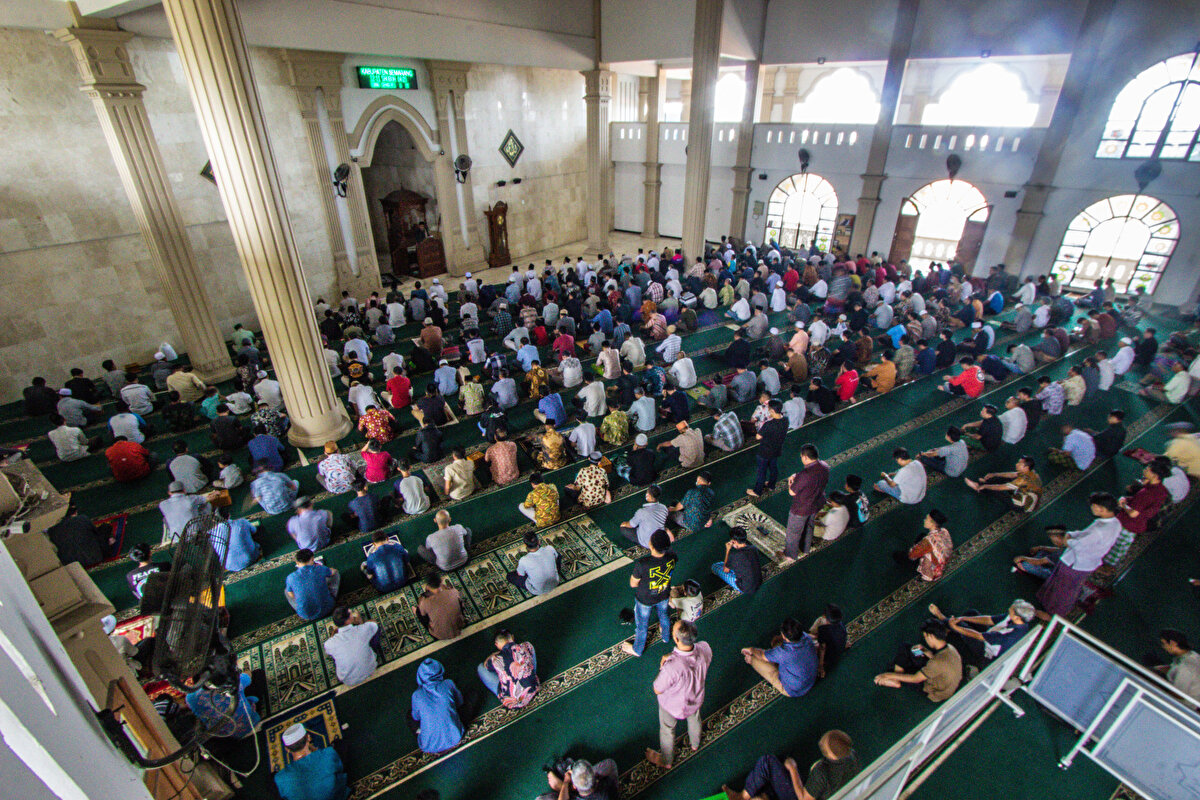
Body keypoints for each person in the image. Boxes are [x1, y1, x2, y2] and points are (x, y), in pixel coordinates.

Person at [1014, 493, 1123, 618]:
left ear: (1101, 509)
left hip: (1075, 564)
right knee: (1065, 586)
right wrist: (1071, 535)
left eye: (1093, 506)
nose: (1091, 508)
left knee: (1064, 590)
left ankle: (1055, 613)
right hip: (1087, 562)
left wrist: (1067, 539)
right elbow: (1084, 535)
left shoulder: (1099, 530)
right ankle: (1049, 602)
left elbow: (1077, 545)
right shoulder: (1115, 523)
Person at [645, 619, 712, 768]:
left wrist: (666, 665)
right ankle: (695, 744)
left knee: (667, 730)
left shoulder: (672, 667)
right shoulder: (705, 648)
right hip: (696, 698)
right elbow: (692, 656)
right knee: (695, 719)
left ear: (676, 639)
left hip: (672, 706)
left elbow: (657, 689)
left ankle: (666, 760)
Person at [724, 730, 861, 800]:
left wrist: (792, 768)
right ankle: (766, 794)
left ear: (832, 756)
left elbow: (802, 797)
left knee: (768, 763)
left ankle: (741, 797)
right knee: (773, 782)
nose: (821, 743)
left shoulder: (821, 772)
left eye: (824, 746)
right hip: (824, 792)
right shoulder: (851, 755)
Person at [872, 618, 963, 702]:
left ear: (930, 636)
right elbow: (938, 661)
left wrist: (887, 675)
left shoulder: (936, 663)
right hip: (944, 682)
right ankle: (897, 674)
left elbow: (915, 679)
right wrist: (925, 650)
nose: (925, 640)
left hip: (933, 691)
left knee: (904, 653)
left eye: (925, 637)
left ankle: (897, 680)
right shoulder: (951, 648)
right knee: (910, 649)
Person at [927, 599, 1035, 668]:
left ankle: (942, 618)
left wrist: (956, 626)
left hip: (986, 654)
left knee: (961, 628)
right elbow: (989, 620)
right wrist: (963, 618)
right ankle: (951, 627)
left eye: (1010, 610)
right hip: (991, 637)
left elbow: (978, 636)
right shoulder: (1018, 621)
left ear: (1017, 617)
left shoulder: (1009, 635)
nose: (1008, 610)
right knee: (971, 614)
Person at [621, 530, 677, 657]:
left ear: (650, 545)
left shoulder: (643, 564)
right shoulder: (672, 556)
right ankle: (666, 636)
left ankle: (637, 649)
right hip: (663, 594)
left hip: (645, 600)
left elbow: (633, 584)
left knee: (642, 625)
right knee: (664, 615)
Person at [741, 617, 818, 698]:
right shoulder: (806, 637)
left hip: (794, 690)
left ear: (784, 635)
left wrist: (751, 649)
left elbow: (761, 655)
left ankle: (751, 660)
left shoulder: (784, 653)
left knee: (754, 658)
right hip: (810, 680)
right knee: (777, 643)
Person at [781, 444, 830, 560]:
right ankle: (805, 549)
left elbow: (792, 492)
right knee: (809, 526)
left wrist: (790, 481)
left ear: (805, 457)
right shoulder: (824, 466)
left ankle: (790, 555)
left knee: (793, 533)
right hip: (817, 503)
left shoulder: (805, 475)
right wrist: (796, 476)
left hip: (801, 509)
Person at [273, 724, 348, 800]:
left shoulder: (280, 778)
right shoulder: (328, 754)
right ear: (308, 738)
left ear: (287, 749)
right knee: (340, 746)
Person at [409, 658, 465, 754]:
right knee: (473, 696)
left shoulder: (416, 695)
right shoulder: (448, 683)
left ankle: (421, 731)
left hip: (428, 746)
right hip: (455, 737)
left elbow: (415, 717)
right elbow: (460, 703)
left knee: (409, 716)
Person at [477, 629, 540, 709]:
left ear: (496, 644)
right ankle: (532, 679)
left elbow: (486, 665)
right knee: (529, 652)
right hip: (532, 690)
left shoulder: (495, 659)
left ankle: (507, 689)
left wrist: (493, 655)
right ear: (512, 637)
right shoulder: (525, 645)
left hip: (512, 702)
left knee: (480, 668)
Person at [323, 606, 380, 687]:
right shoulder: (362, 629)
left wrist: (335, 632)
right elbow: (374, 624)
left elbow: (328, 650)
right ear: (348, 621)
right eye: (351, 614)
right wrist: (360, 623)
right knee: (373, 632)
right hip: (371, 668)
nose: (352, 615)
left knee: (337, 653)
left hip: (347, 680)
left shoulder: (329, 643)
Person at [966, 455, 1043, 510]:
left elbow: (1000, 487)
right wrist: (994, 474)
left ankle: (978, 487)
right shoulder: (1030, 471)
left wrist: (985, 486)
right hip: (1026, 494)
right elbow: (1011, 475)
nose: (1016, 464)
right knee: (1005, 478)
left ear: (1026, 467)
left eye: (1019, 463)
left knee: (999, 492)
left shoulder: (1023, 480)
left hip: (1024, 506)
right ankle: (985, 483)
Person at [897, 509, 953, 582]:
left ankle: (926, 576)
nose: (924, 520)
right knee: (922, 536)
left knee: (899, 556)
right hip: (942, 562)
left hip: (934, 571)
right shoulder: (944, 531)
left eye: (926, 519)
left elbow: (912, 556)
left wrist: (915, 547)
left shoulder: (927, 541)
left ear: (932, 523)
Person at [285, 549, 340, 621]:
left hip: (306, 615)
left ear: (297, 563)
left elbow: (292, 595)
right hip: (328, 608)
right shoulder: (320, 568)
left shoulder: (290, 577)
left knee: (287, 591)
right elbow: (333, 571)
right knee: (336, 574)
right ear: (312, 559)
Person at [747, 400, 788, 498]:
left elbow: (758, 437)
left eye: (769, 409)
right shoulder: (786, 420)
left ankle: (757, 491)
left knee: (762, 471)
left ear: (772, 411)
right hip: (777, 449)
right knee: (773, 467)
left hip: (765, 451)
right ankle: (771, 485)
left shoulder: (769, 424)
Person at [1153, 630, 1200, 702]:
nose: (1163, 647)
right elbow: (1174, 669)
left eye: (1163, 643)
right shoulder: (1191, 656)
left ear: (1172, 643)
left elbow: (1179, 694)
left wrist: (1157, 686)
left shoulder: (1186, 666)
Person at [713, 526, 763, 594]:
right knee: (725, 563)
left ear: (734, 541)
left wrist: (728, 550)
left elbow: (726, 570)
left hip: (746, 588)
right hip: (759, 582)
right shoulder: (754, 548)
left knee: (715, 566)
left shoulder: (734, 555)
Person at [416, 572, 466, 640]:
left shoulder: (425, 602)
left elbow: (423, 614)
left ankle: (431, 629)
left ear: (427, 586)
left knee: (418, 612)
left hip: (439, 635)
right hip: (460, 627)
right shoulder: (453, 592)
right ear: (441, 581)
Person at [810, 605, 848, 677]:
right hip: (839, 649)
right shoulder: (841, 625)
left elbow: (822, 648)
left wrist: (820, 666)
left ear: (826, 618)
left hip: (828, 656)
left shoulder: (823, 630)